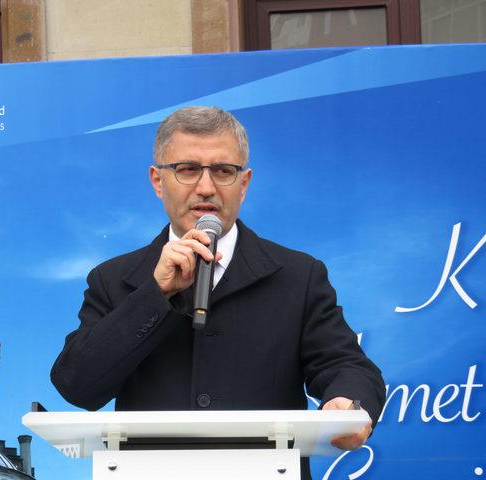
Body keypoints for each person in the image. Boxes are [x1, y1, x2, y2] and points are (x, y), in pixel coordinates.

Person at [51, 106, 385, 479]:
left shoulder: (297, 275)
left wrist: (347, 403)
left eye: (224, 171)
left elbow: (345, 364)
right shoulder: (114, 279)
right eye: (188, 169)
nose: (206, 188)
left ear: (244, 184)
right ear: (157, 181)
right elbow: (77, 384)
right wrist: (155, 293)